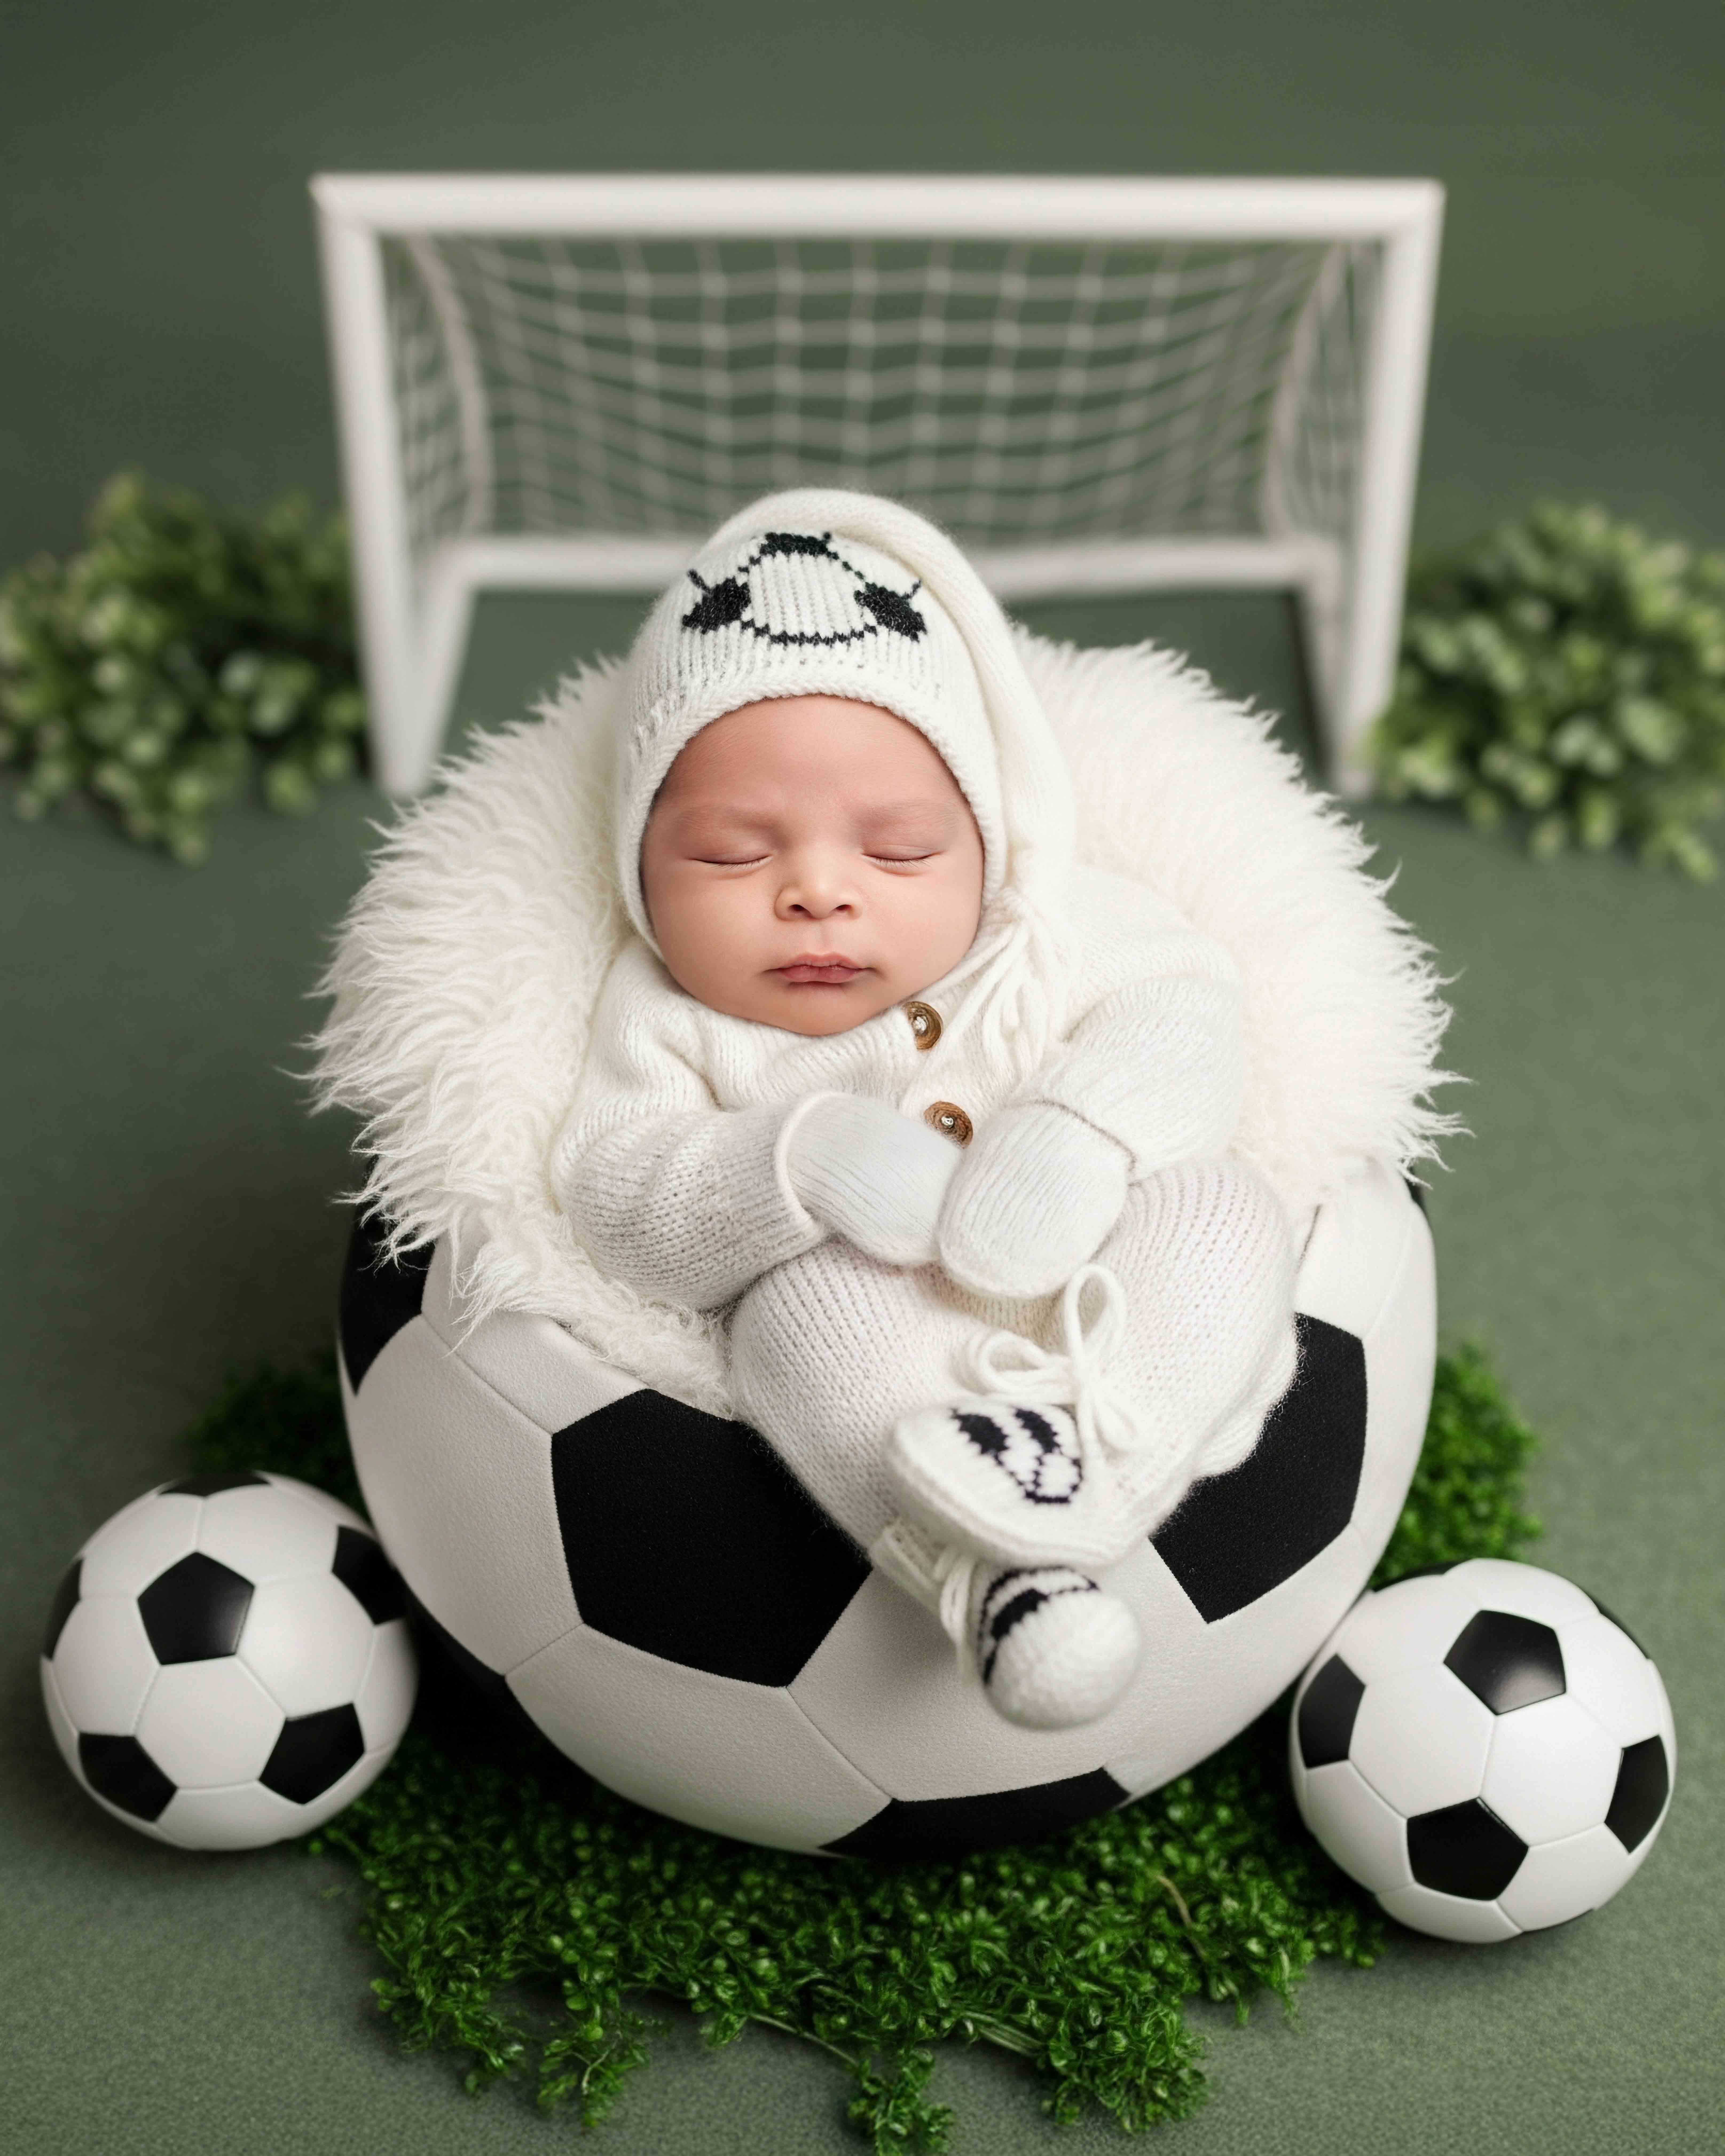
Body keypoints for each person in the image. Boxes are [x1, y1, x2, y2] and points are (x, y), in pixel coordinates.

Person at [551, 491, 1297, 1731]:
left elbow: (1185, 1012)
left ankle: (1107, 1456)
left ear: (986, 838)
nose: (818, 895)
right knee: (793, 1315)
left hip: (1101, 1302)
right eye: (734, 854)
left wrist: (1077, 1129)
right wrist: (794, 1162)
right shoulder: (665, 1013)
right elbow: (617, 1194)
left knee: (1223, 1205)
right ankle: (989, 1564)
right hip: (886, 1371)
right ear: (639, 864)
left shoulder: (1047, 930)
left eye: (897, 850)